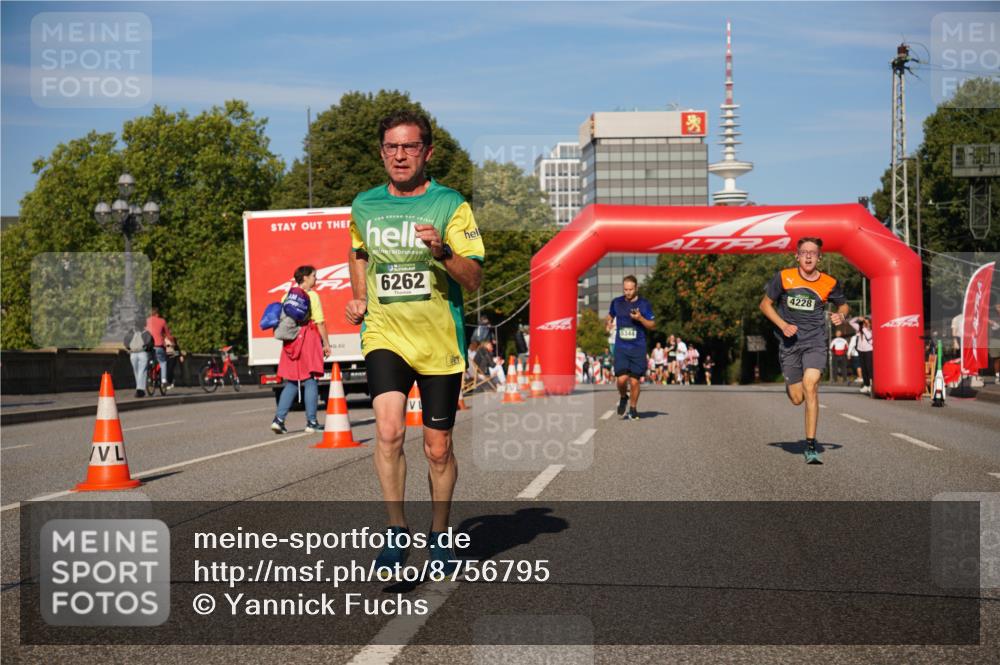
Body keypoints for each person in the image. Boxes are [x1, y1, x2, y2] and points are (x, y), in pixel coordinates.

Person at [345, 109, 485, 581]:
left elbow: (476, 278)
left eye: (409, 147)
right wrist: (360, 296)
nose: (399, 155)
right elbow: (358, 251)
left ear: (427, 152)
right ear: (381, 152)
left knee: (437, 448)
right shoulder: (364, 204)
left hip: (438, 338)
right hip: (384, 332)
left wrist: (442, 252)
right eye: (391, 147)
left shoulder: (451, 205)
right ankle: (396, 531)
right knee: (387, 431)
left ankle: (440, 534)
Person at [760, 237, 849, 460]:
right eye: (804, 252)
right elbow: (764, 305)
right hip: (789, 344)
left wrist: (842, 314)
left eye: (813, 252)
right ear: (797, 256)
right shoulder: (784, 277)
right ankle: (791, 385)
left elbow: (843, 304)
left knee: (811, 386)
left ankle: (810, 446)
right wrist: (782, 325)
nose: (808, 256)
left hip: (815, 342)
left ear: (820, 257)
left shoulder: (829, 282)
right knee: (797, 398)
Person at [271, 265, 330, 434]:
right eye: (313, 276)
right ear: (305, 278)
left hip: (291, 341)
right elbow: (319, 322)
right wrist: (326, 343)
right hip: (308, 338)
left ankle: (279, 419)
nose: (315, 279)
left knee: (291, 381)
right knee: (310, 379)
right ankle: (311, 422)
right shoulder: (312, 296)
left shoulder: (286, 296)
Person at [606, 275, 655, 420]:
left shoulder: (644, 304)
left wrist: (640, 318)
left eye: (630, 289)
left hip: (638, 347)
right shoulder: (616, 302)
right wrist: (608, 322)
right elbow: (610, 316)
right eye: (625, 289)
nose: (627, 292)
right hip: (621, 346)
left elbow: (652, 325)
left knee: (634, 381)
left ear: (636, 288)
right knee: (621, 380)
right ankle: (623, 397)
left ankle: (633, 408)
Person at [145, 307, 173, 394]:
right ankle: (164, 380)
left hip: (148, 346)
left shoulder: (146, 320)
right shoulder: (162, 321)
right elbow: (168, 334)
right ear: (157, 314)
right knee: (163, 362)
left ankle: (148, 377)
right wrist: (171, 341)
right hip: (158, 346)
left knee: (148, 361)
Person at [124, 322, 154, 398]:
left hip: (133, 354)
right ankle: (140, 390)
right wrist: (147, 349)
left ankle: (139, 389)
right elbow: (150, 343)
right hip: (142, 353)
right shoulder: (146, 333)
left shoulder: (130, 332)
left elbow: (126, 342)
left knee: (136, 372)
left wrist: (129, 348)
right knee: (142, 371)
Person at [848, 316, 874, 394]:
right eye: (864, 321)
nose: (864, 323)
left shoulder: (871, 330)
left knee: (869, 368)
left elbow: (869, 337)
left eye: (866, 321)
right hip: (861, 350)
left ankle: (871, 385)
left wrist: (863, 329)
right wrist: (857, 318)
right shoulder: (860, 328)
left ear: (869, 322)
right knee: (864, 368)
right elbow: (851, 322)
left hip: (869, 350)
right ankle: (866, 385)